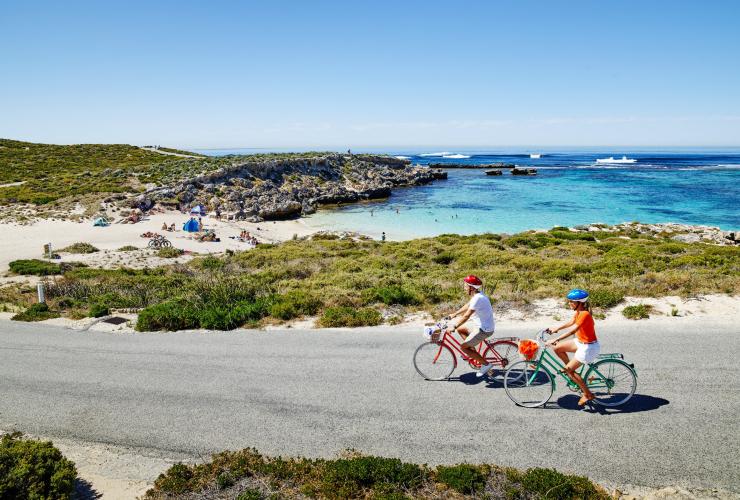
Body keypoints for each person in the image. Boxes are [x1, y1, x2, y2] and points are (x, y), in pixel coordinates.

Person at [545, 289, 600, 406]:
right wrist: (556, 329)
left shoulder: (584, 314)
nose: (569, 303)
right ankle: (571, 371)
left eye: (572, 302)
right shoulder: (579, 312)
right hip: (581, 342)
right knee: (557, 348)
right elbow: (571, 322)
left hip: (588, 347)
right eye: (569, 301)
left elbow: (573, 330)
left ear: (580, 303)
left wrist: (556, 339)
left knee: (568, 371)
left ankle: (587, 394)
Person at [446, 275, 496, 377]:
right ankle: (472, 352)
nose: (464, 288)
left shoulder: (478, 298)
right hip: (480, 325)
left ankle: (486, 365)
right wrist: (455, 314)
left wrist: (454, 326)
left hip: (484, 329)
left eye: (466, 286)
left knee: (463, 348)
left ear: (472, 288)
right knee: (461, 329)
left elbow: (467, 316)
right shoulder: (477, 296)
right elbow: (468, 305)